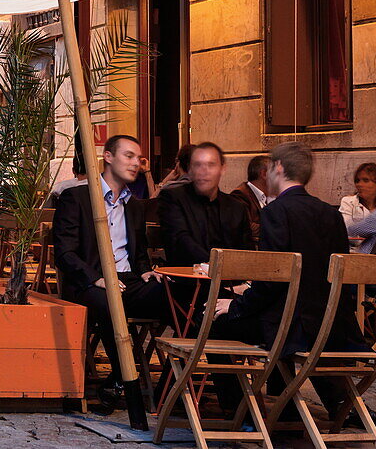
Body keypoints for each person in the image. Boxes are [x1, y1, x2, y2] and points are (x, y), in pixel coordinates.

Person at [211, 141, 376, 428]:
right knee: (282, 317)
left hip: (294, 328)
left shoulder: (276, 212)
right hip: (333, 325)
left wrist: (236, 305)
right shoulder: (331, 214)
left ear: (279, 168)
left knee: (217, 322)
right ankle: (335, 404)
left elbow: (272, 280)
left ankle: (243, 413)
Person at [52, 134, 166, 409]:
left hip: (128, 281)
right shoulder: (76, 197)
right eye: (128, 156)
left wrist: (146, 272)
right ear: (108, 157)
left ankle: (170, 388)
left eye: (138, 158)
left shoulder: (134, 205)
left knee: (174, 295)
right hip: (89, 282)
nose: (136, 163)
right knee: (107, 302)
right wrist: (98, 278)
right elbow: (64, 253)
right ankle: (123, 376)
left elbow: (137, 255)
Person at [158, 142, 252, 266]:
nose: (204, 171)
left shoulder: (237, 207)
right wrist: (217, 267)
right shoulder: (172, 199)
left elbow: (246, 252)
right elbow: (180, 242)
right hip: (187, 279)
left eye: (211, 165)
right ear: (190, 170)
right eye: (197, 165)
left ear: (222, 168)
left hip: (231, 280)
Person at [229, 154, 271, 246]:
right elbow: (248, 228)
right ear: (264, 174)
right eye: (276, 173)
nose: (279, 178)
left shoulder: (266, 196)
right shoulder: (240, 195)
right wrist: (275, 229)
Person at [338, 162, 376, 228]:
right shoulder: (348, 202)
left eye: (365, 180)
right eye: (357, 181)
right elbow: (348, 229)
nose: (359, 184)